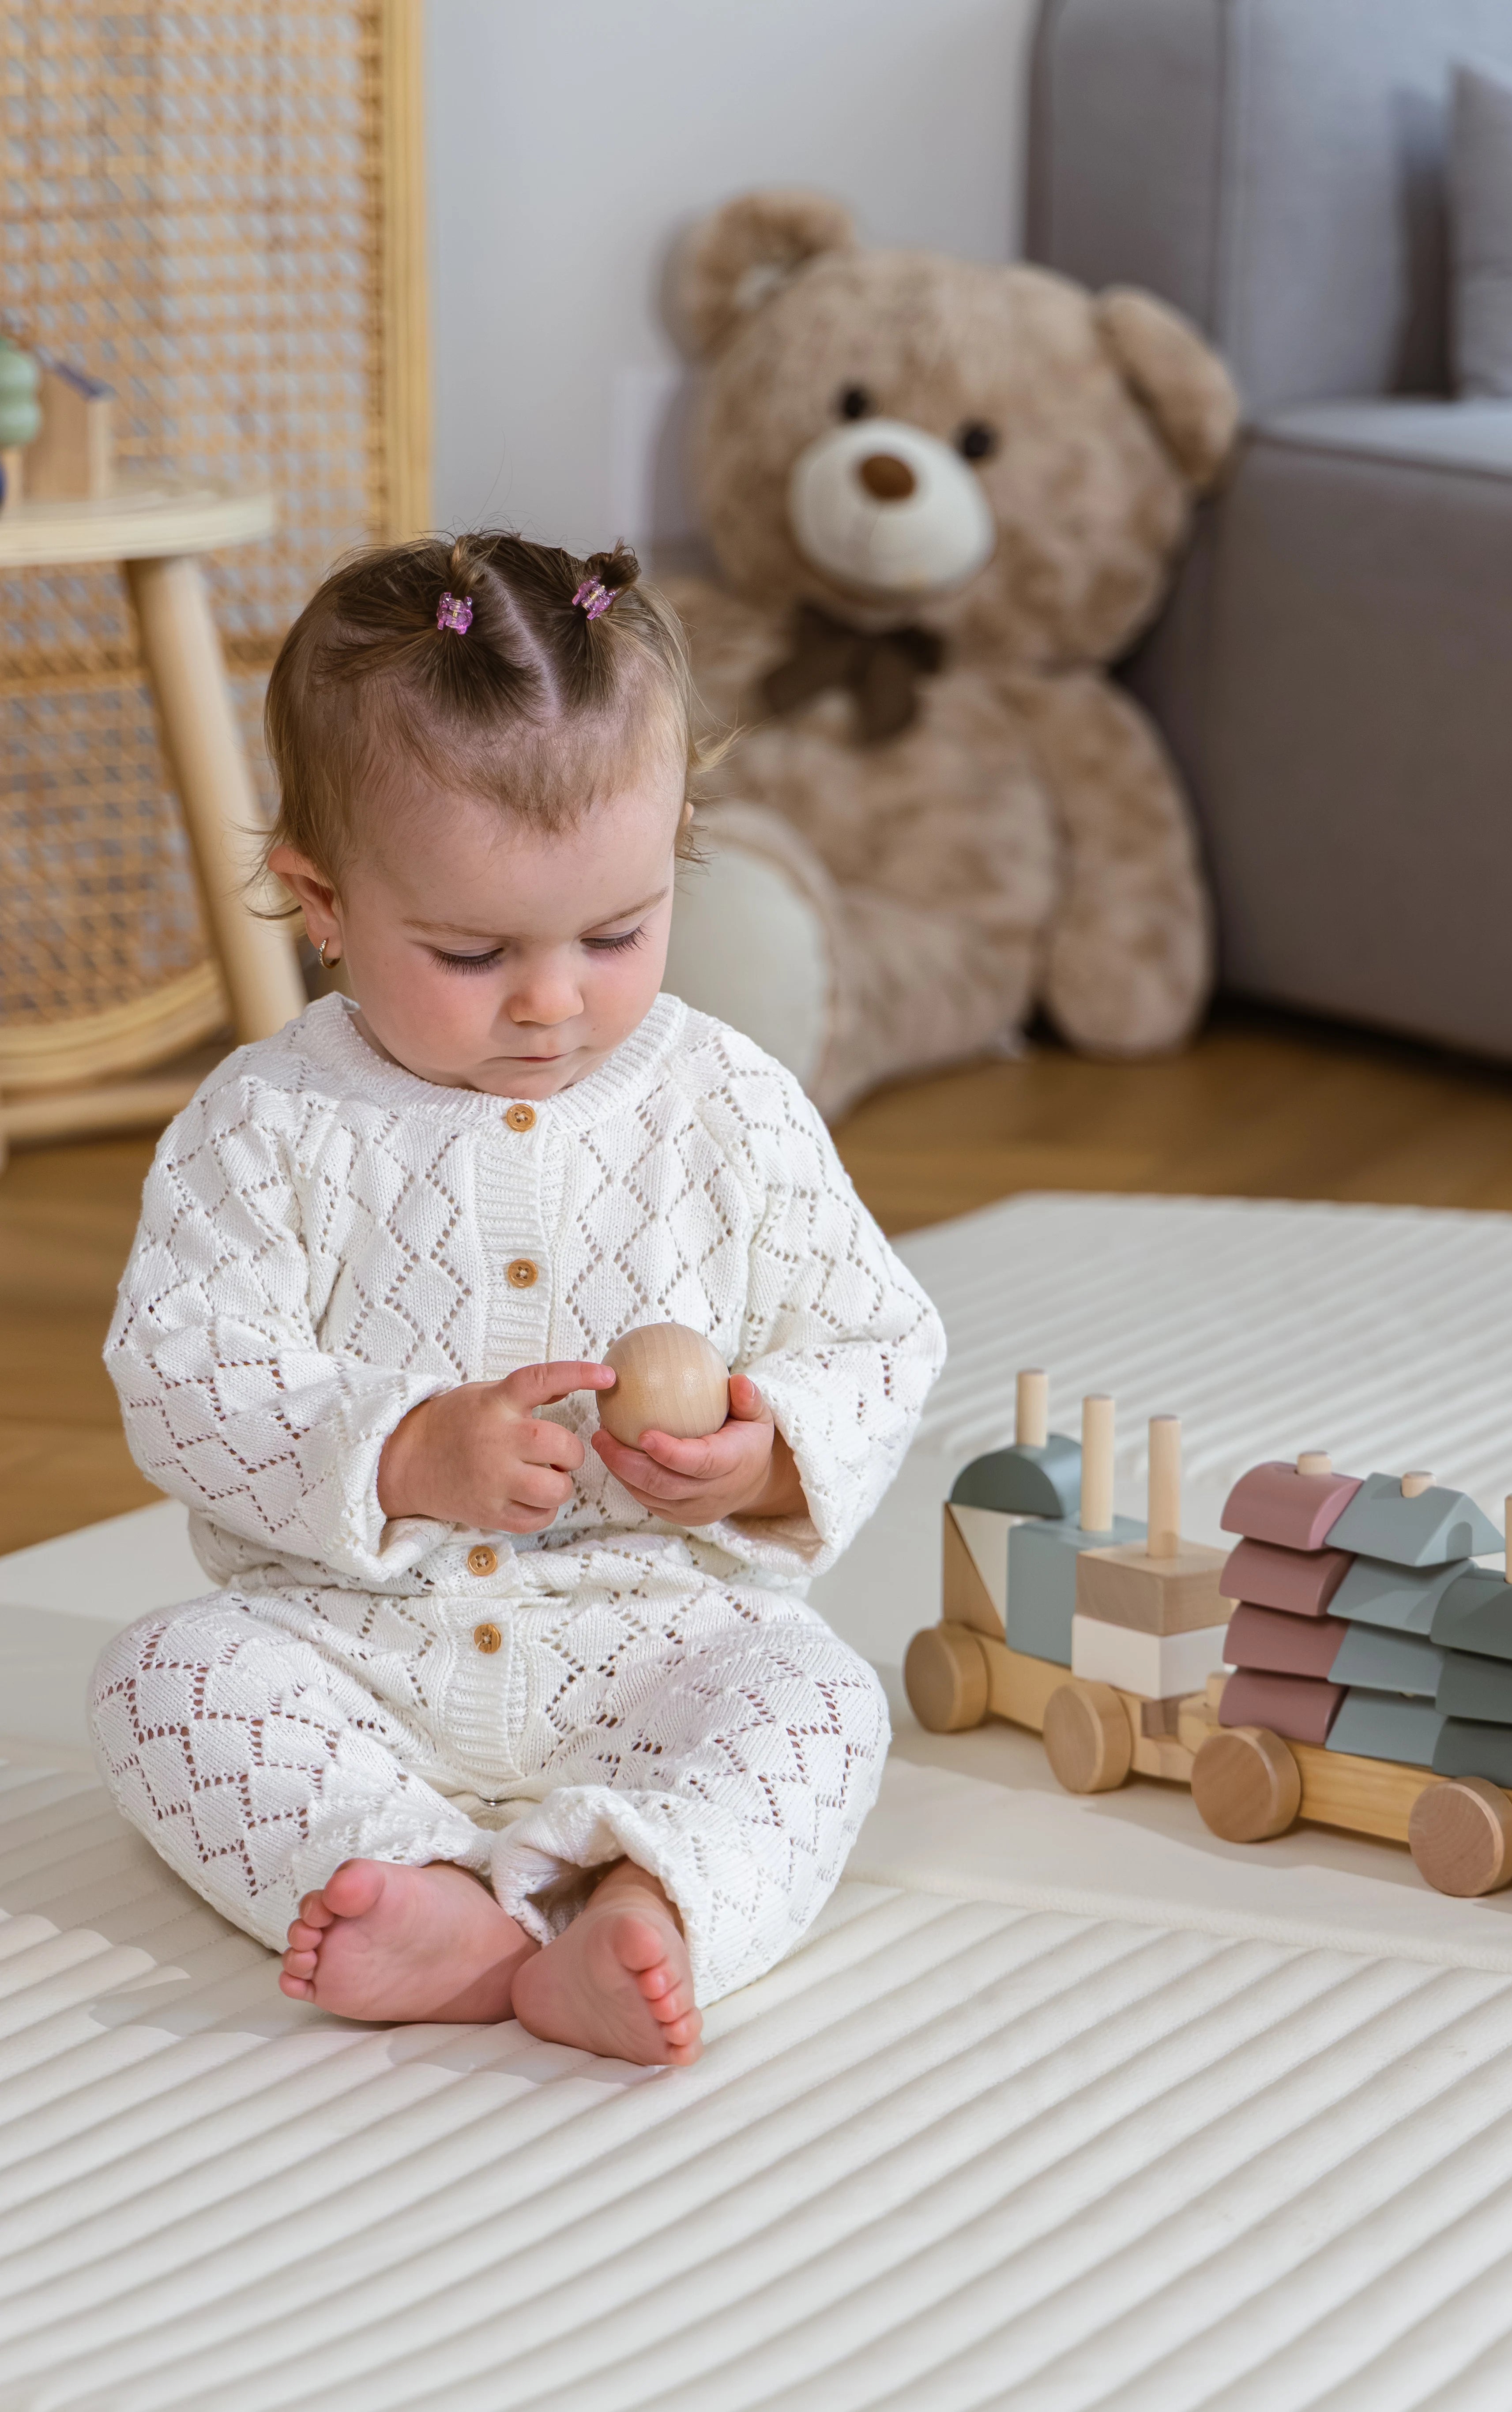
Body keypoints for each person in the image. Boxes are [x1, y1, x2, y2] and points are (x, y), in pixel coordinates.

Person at [90, 534, 944, 2066]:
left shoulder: (725, 1105)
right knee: (163, 1680)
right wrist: (405, 1452)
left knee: (821, 1701)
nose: (556, 999)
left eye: (615, 933)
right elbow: (177, 1369)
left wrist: (770, 1457)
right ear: (323, 899)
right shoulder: (265, 1121)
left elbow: (875, 1331)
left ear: (673, 841)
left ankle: (654, 1898)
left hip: (653, 1633)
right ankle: (437, 1894)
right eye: (475, 951)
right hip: (356, 1640)